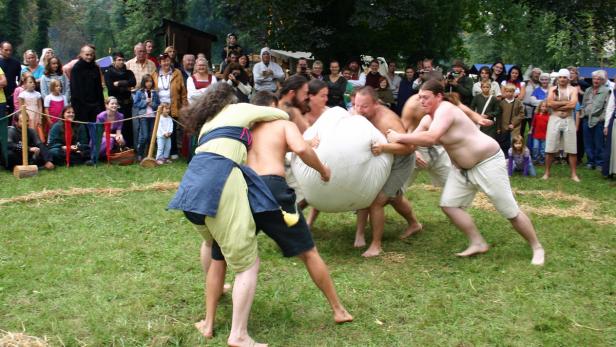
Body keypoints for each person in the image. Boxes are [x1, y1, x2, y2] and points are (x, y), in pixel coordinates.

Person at [195, 90, 352, 338]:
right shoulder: (281, 123)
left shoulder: (241, 127)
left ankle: (208, 323)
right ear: (272, 105)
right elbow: (300, 148)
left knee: (220, 256)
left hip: (241, 190)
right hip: (272, 189)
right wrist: (323, 170)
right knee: (309, 253)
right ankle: (338, 309)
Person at [168, 82, 290, 347]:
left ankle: (218, 288)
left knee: (212, 242)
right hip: (221, 182)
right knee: (248, 265)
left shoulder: (208, 124)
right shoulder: (239, 109)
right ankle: (239, 335)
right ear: (231, 99)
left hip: (192, 186)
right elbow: (280, 115)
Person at [386, 79, 545, 266]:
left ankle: (537, 247)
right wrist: (383, 144)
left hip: (487, 162)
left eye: (426, 98)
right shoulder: (428, 119)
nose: (421, 102)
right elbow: (413, 142)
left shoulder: (445, 109)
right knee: (449, 205)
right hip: (462, 170)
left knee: (509, 211)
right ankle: (477, 242)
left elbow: (431, 138)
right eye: (419, 98)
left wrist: (399, 136)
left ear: (438, 96)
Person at [353, 86, 422, 257]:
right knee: (387, 197)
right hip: (382, 158)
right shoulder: (359, 113)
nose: (360, 110)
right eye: (357, 105)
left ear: (375, 104)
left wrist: (384, 147)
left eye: (364, 106)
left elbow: (409, 148)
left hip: (401, 161)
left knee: (377, 200)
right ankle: (414, 224)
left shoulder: (386, 120)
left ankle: (376, 245)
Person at [543, 69, 580, 181]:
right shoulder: (552, 89)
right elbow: (549, 103)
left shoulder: (573, 89)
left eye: (565, 77)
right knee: (550, 146)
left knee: (572, 147)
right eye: (560, 77)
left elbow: (573, 104)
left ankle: (573, 174)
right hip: (555, 119)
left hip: (568, 119)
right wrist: (565, 103)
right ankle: (547, 172)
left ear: (568, 78)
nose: (562, 79)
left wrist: (557, 105)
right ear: (557, 78)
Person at [151, 53, 187, 158]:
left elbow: (183, 91)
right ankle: (160, 152)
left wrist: (184, 105)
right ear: (160, 62)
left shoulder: (177, 73)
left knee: (172, 129)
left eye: (167, 60)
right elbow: (152, 89)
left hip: (173, 105)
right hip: (159, 107)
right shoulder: (155, 74)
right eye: (163, 61)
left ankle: (173, 151)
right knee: (160, 129)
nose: (166, 63)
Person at [579, 70, 610, 170]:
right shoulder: (588, 90)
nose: (596, 80)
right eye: (594, 78)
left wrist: (601, 119)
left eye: (598, 79)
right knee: (588, 142)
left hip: (599, 120)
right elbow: (583, 104)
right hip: (586, 119)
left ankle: (599, 163)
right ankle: (590, 161)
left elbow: (607, 107)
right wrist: (583, 114)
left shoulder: (606, 91)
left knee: (599, 143)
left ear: (602, 80)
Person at [104, 52, 137, 147]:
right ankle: (117, 148)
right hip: (115, 106)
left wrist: (119, 83)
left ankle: (129, 148)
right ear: (114, 61)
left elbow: (133, 82)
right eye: (119, 60)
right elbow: (110, 87)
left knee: (128, 127)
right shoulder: (109, 73)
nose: (121, 62)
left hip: (127, 104)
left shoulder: (128, 72)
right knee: (118, 127)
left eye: (123, 60)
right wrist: (126, 86)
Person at [70, 45, 105, 123]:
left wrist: (101, 105)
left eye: (91, 55)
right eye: (87, 55)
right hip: (82, 106)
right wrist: (82, 105)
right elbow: (75, 89)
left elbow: (99, 88)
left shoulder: (95, 68)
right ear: (81, 54)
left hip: (96, 105)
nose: (89, 57)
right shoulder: (76, 68)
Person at [133, 75, 160, 159]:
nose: (149, 83)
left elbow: (158, 104)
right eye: (147, 81)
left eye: (150, 81)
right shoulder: (139, 92)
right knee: (144, 137)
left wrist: (152, 104)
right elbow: (136, 103)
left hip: (153, 116)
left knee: (151, 136)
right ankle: (140, 154)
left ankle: (149, 155)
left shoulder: (154, 93)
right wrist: (145, 102)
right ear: (144, 82)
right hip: (143, 116)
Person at [497, 84, 525, 155]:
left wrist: (513, 123)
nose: (509, 93)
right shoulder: (502, 103)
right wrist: (498, 127)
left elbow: (521, 114)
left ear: (514, 92)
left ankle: (515, 157)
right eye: (507, 91)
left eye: (511, 92)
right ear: (504, 92)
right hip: (504, 127)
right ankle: (506, 157)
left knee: (514, 142)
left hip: (515, 128)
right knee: (504, 144)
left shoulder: (518, 102)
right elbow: (499, 116)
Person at [18, 75, 45, 141]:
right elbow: (20, 107)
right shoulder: (22, 94)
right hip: (27, 115)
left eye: (34, 82)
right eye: (30, 82)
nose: (33, 84)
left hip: (36, 115)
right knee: (28, 129)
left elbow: (40, 106)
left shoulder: (37, 94)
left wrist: (40, 117)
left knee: (37, 130)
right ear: (25, 84)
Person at [0, 41, 23, 115]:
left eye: (10, 50)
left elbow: (19, 78)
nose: (8, 52)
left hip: (12, 94)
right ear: (1, 49)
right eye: (6, 50)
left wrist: (17, 90)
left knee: (12, 117)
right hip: (1, 94)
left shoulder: (16, 63)